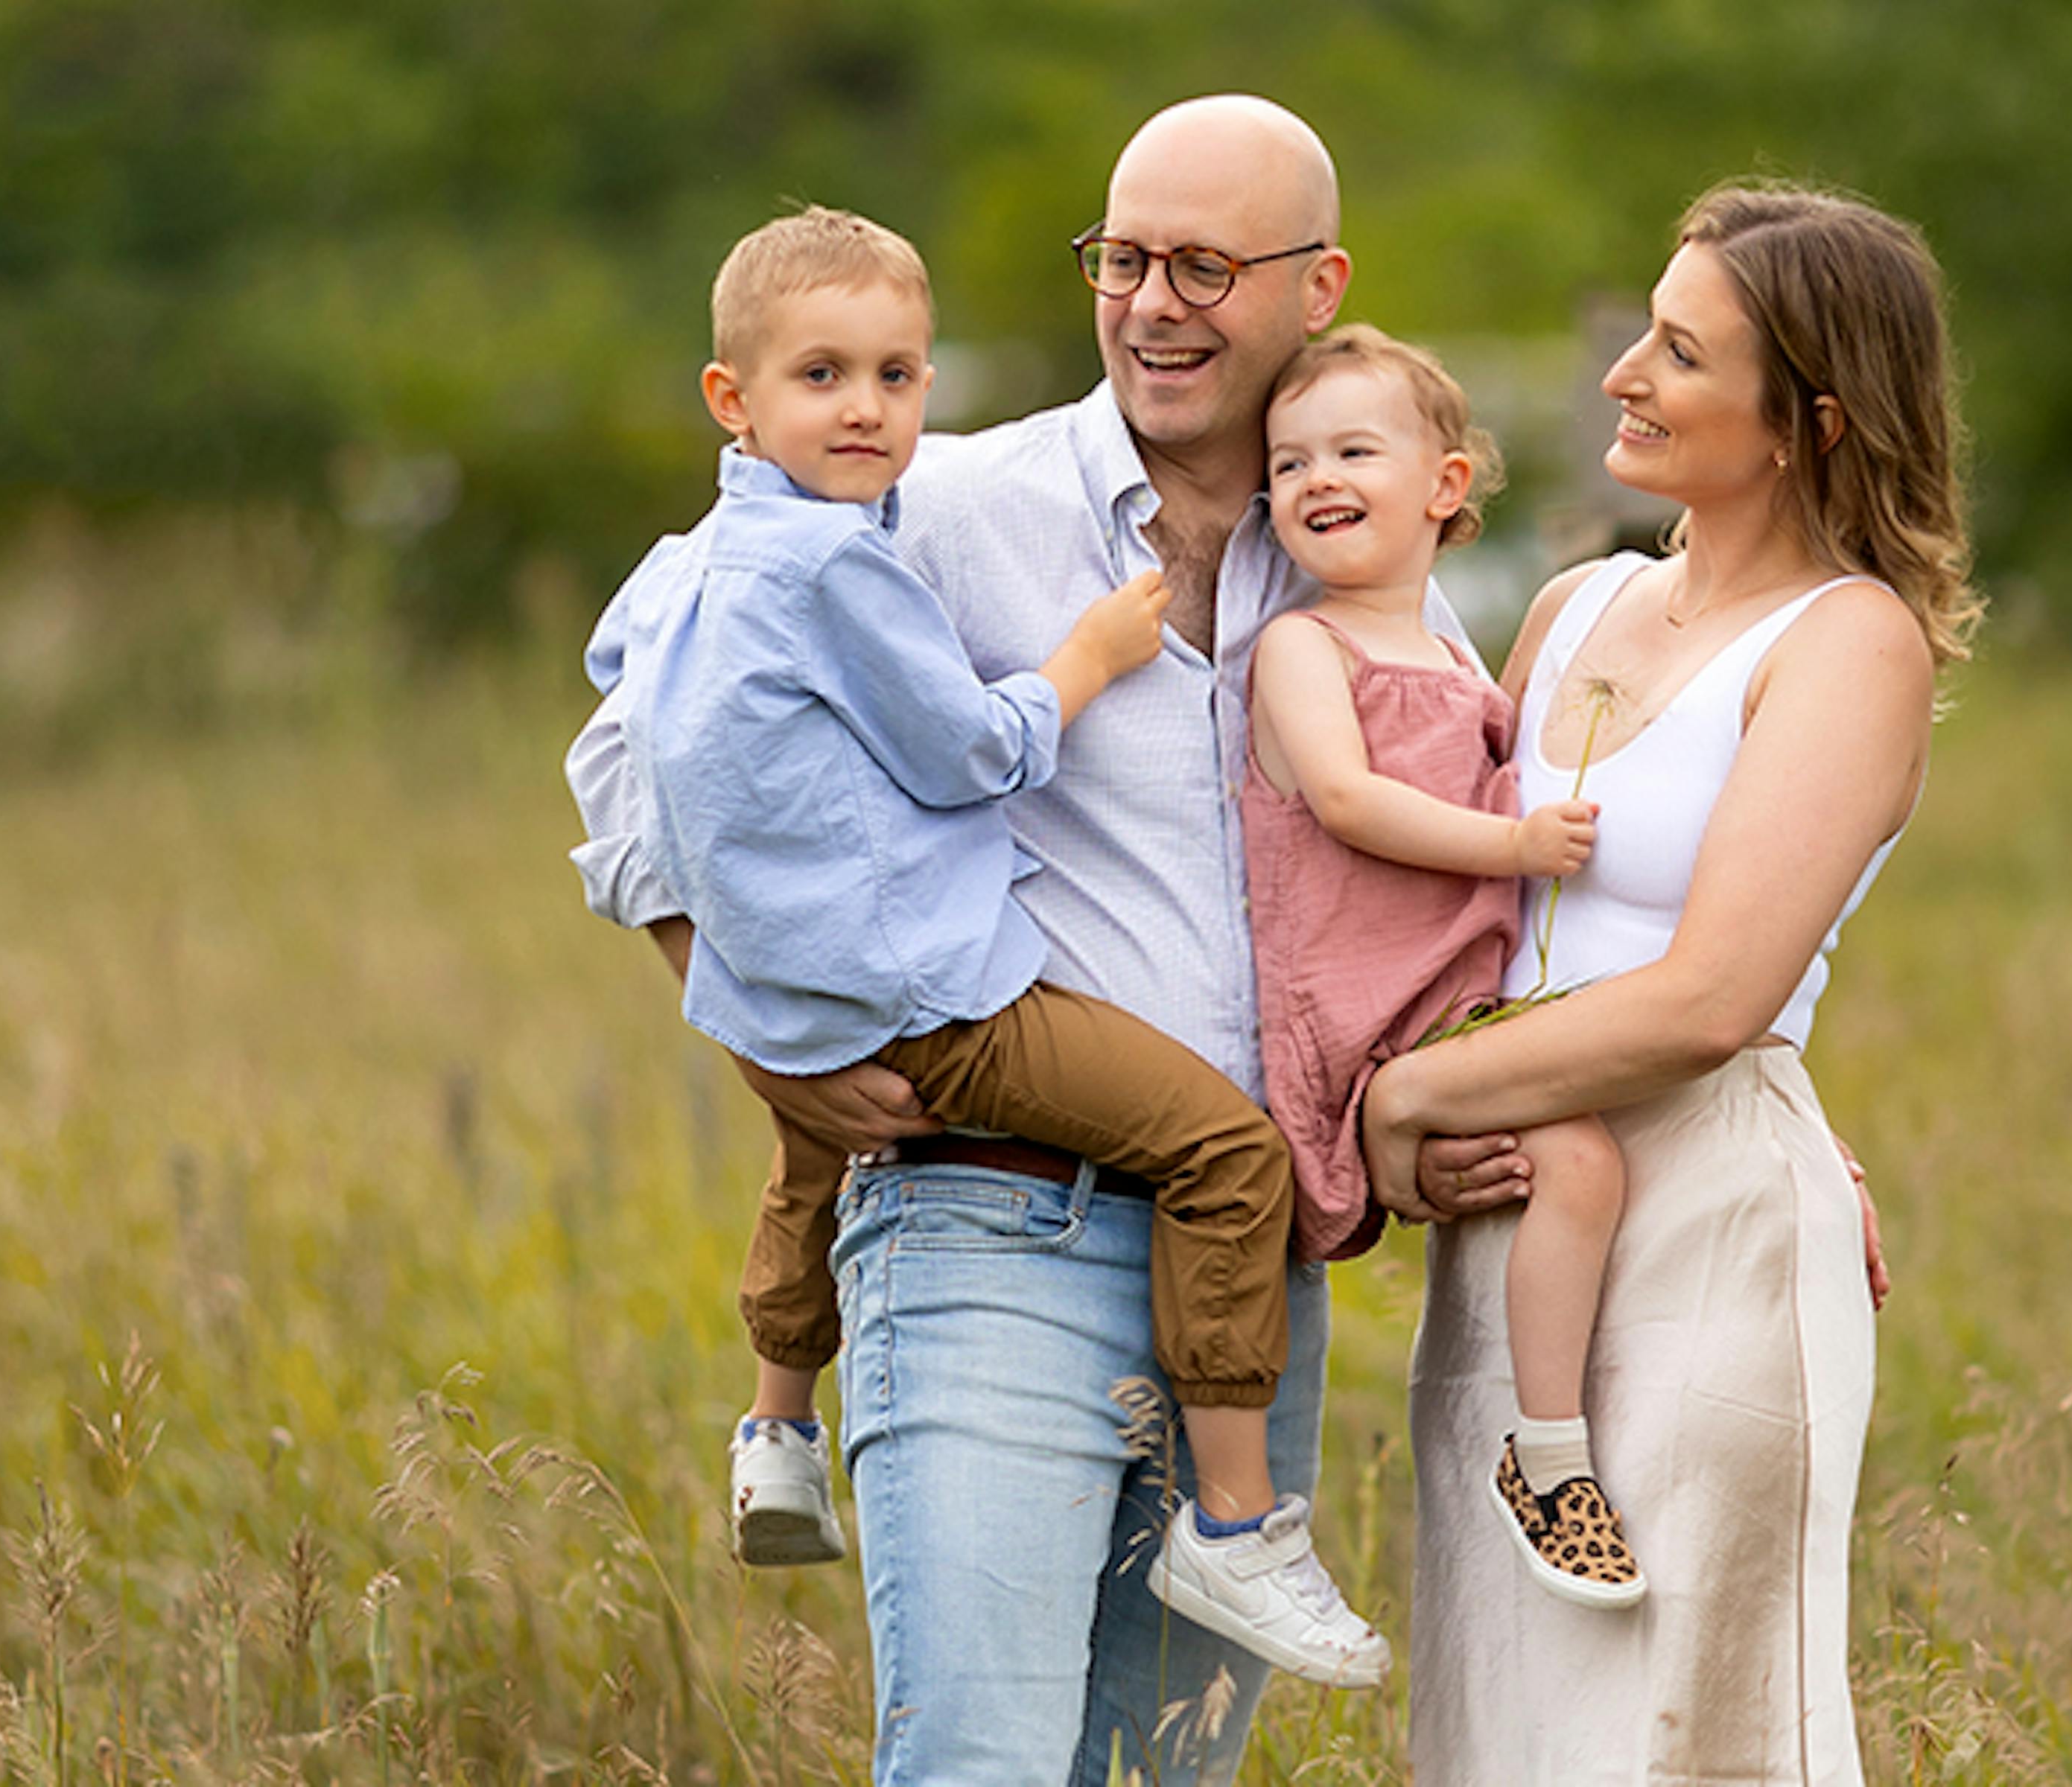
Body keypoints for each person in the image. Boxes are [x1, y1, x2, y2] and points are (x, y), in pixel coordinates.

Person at [566, 98, 1504, 1786]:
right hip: (990, 1221)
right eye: (1122, 258)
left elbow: (1465, 882)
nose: (1153, 301)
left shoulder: (1377, 576)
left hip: (1250, 1264)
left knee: (1156, 1779)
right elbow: (635, 737)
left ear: (1318, 284)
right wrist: (759, 1030)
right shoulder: (935, 503)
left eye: (1205, 265)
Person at [1365, 180, 1975, 1785]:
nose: (1623, 374)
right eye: (1643, 330)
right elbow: (1452, 914)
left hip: (1706, 1209)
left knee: (1686, 1734)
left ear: (1809, 419)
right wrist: (1415, 1128)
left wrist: (1411, 1096)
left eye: (1680, 353)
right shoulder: (1573, 606)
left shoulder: (1851, 644)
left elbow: (1715, 997)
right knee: (1502, 1729)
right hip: (1513, 1216)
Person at [1239, 325, 1644, 1608]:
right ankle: (1548, 1453)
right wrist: (1515, 838)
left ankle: (1553, 1425)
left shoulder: (1463, 662)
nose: (1316, 478)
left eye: (1354, 449)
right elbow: (1351, 804)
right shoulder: (1305, 649)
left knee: (1590, 1148)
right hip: (1371, 1020)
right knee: (1580, 1157)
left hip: (1461, 1004)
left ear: (1448, 487)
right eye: (1289, 461)